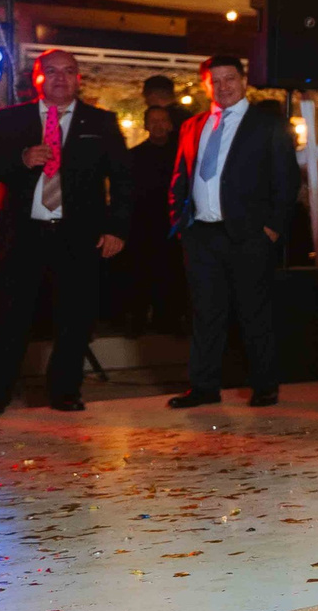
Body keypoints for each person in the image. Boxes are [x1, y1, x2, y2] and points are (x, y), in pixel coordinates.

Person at [0, 50, 132, 415]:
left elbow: (123, 181)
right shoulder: (11, 119)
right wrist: (20, 160)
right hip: (22, 235)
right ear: (37, 79)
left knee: (74, 319)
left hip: (78, 235)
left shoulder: (101, 122)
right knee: (9, 318)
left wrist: (117, 228)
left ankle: (65, 392)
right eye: (52, 72)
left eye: (68, 72)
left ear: (79, 78)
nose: (60, 78)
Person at [168, 53, 298, 410]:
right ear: (206, 85)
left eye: (230, 79)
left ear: (243, 81)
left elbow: (287, 181)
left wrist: (272, 229)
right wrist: (180, 223)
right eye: (216, 80)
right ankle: (204, 386)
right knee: (206, 313)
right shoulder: (192, 125)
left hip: (249, 235)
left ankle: (265, 385)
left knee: (254, 312)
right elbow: (180, 177)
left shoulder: (267, 124)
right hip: (201, 235)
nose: (223, 86)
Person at [117, 102, 185, 336]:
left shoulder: (182, 156)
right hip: (142, 226)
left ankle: (168, 319)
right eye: (153, 121)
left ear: (170, 124)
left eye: (162, 120)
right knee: (140, 274)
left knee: (172, 274)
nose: (158, 126)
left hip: (173, 226)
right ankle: (137, 319)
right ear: (145, 125)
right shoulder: (133, 156)